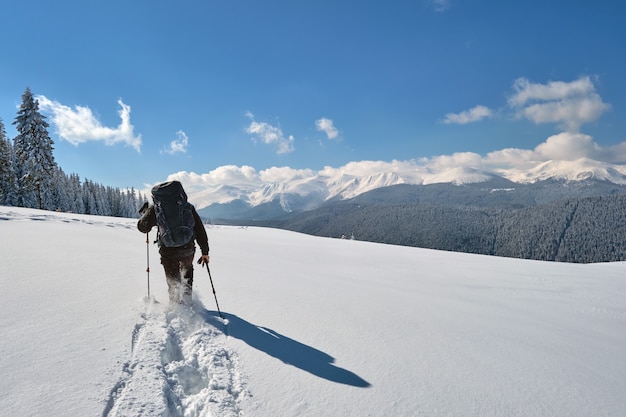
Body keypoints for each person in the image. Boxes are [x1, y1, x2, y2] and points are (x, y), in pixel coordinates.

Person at [137, 181, 210, 304]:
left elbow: (142, 228)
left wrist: (145, 213)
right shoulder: (188, 207)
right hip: (188, 249)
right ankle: (188, 303)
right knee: (187, 273)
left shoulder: (156, 209)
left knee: (173, 281)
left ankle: (175, 306)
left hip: (167, 250)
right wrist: (205, 252)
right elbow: (199, 230)